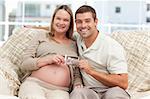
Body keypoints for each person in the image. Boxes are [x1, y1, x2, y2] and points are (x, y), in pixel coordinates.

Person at [18, 5, 82, 99]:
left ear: (70, 23)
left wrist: (78, 83)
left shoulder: (75, 42)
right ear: (53, 20)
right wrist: (48, 60)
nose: (61, 22)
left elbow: (76, 70)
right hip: (35, 84)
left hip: (60, 90)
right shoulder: (41, 36)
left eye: (65, 20)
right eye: (58, 19)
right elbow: (24, 64)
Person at [70, 5, 130, 99]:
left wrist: (91, 71)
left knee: (113, 96)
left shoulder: (111, 46)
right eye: (79, 22)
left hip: (112, 90)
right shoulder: (77, 38)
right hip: (90, 90)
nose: (83, 25)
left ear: (95, 22)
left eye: (87, 21)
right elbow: (58, 31)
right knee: (77, 93)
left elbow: (123, 82)